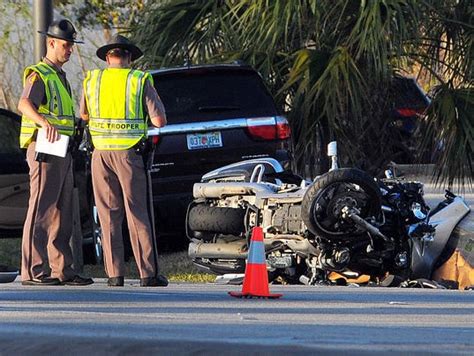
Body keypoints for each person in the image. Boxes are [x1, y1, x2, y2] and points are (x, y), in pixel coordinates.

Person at [80, 34, 168, 287]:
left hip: (100, 154)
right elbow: (159, 121)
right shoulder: (139, 80)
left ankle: (114, 274)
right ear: (129, 57)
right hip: (129, 154)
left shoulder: (91, 80)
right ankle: (147, 274)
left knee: (108, 216)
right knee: (137, 213)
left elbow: (83, 115)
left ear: (108, 57)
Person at [18, 19, 93, 286]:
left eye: (71, 45)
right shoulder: (39, 73)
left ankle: (63, 270)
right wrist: (44, 122)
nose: (70, 50)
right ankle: (33, 271)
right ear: (51, 43)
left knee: (63, 211)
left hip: (62, 147)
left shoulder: (60, 76)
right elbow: (24, 103)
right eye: (66, 45)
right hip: (45, 146)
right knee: (41, 209)